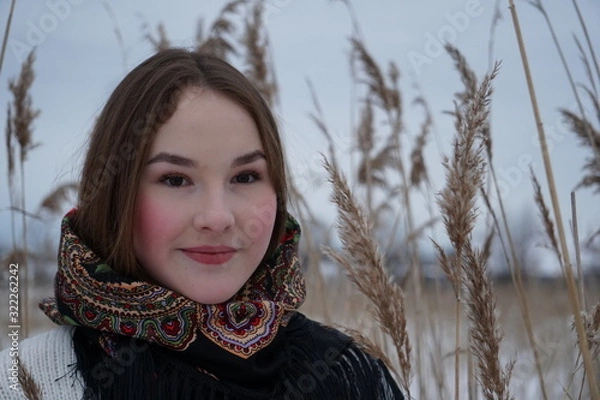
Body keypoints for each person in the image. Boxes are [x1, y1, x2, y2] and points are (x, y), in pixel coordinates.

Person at [0, 49, 405, 400]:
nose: (217, 217)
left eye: (245, 177)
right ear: (114, 195)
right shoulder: (26, 382)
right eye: (175, 180)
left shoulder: (351, 377)